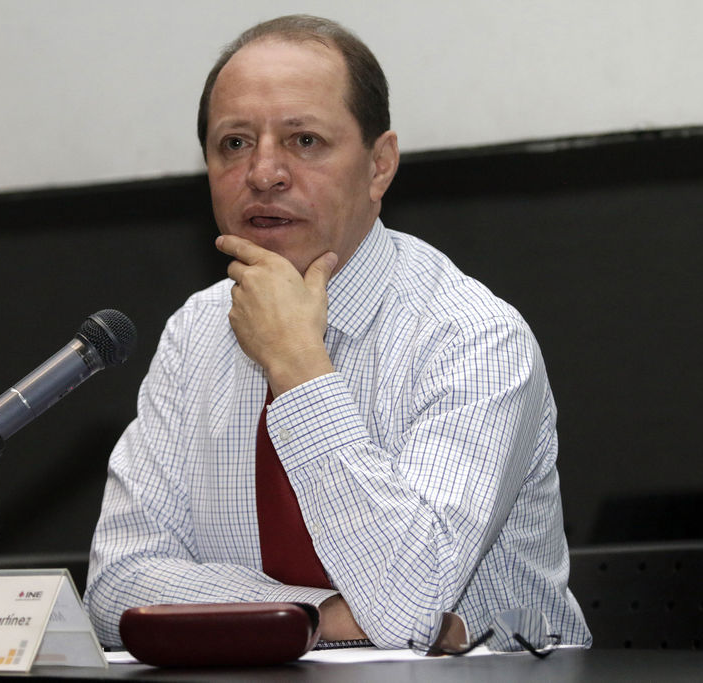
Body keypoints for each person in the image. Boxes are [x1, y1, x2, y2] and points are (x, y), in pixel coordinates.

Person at [86, 14, 591, 650]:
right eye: (234, 143)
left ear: (380, 166)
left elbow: (407, 605)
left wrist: (297, 365)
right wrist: (320, 616)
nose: (263, 173)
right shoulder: (196, 332)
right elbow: (117, 587)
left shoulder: (472, 336)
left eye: (304, 141)